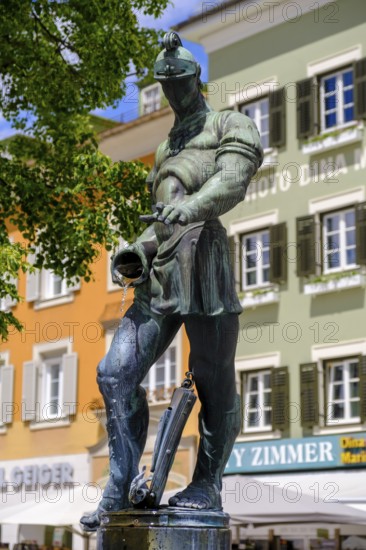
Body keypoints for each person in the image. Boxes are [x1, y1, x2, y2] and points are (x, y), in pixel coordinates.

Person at [80, 31, 263, 531]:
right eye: (165, 84)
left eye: (179, 81)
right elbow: (160, 220)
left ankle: (206, 483)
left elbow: (231, 181)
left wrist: (189, 207)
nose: (172, 92)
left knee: (214, 379)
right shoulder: (164, 147)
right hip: (161, 277)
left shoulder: (232, 123)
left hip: (206, 265)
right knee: (115, 373)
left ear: (196, 78)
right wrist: (137, 249)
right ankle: (119, 485)